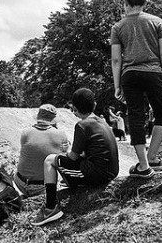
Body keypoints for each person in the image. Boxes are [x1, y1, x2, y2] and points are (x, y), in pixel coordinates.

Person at [110, 0, 162, 178]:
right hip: (154, 72)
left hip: (130, 75)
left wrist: (117, 85)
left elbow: (115, 58)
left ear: (125, 1)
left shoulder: (118, 27)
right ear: (145, 0)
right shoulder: (156, 21)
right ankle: (153, 155)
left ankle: (144, 165)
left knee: (136, 117)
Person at [33, 88, 119, 226]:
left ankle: (50, 208)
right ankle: (71, 181)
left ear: (75, 108)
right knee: (65, 166)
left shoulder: (82, 125)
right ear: (94, 105)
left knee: (50, 160)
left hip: (98, 174)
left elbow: (73, 157)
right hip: (112, 171)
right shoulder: (102, 121)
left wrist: (62, 155)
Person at [14, 104, 69, 198]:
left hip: (20, 183)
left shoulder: (25, 133)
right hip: (42, 188)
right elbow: (63, 159)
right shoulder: (61, 135)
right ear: (53, 120)